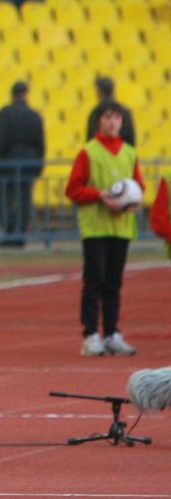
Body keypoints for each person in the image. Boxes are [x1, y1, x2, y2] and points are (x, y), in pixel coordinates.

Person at [66, 103, 142, 357]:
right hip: (95, 228)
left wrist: (131, 203)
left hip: (121, 227)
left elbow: (139, 187)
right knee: (94, 281)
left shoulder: (130, 153)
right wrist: (100, 195)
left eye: (117, 118)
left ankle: (111, 332)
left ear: (122, 121)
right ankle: (90, 335)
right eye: (107, 117)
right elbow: (73, 189)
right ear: (99, 121)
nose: (112, 122)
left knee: (114, 282)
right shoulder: (88, 152)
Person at [0, 82, 45, 247]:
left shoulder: (6, 113)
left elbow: (0, 139)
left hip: (8, 161)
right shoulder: (34, 115)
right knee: (24, 199)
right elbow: (41, 142)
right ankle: (20, 234)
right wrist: (38, 163)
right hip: (29, 162)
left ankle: (9, 232)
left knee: (4, 198)